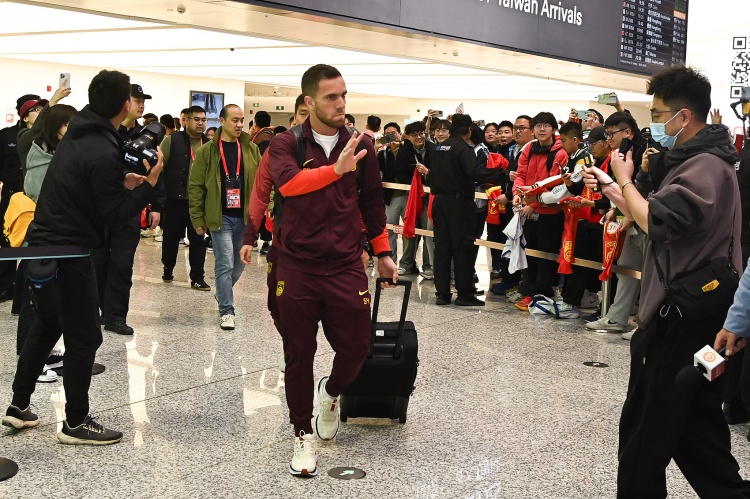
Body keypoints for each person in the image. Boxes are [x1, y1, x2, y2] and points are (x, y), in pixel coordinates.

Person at [587, 65, 750, 498]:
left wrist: (625, 180)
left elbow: (659, 223)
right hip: (700, 316)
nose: (655, 123)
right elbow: (657, 216)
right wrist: (618, 190)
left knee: (647, 424)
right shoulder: (702, 162)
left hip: (681, 319)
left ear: (684, 116)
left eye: (659, 114)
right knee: (695, 422)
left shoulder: (704, 167)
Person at [0, 69, 163, 444]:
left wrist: (118, 182)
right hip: (68, 252)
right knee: (85, 336)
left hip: (45, 246)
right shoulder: (102, 148)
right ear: (125, 104)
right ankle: (75, 422)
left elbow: (86, 185)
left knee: (47, 326)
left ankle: (18, 406)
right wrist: (148, 186)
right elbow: (115, 215)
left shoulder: (80, 133)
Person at [266, 64, 397, 476]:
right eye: (330, 97)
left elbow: (371, 202)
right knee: (298, 354)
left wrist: (382, 251)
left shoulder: (362, 144)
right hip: (296, 265)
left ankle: (332, 392)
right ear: (309, 102)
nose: (340, 104)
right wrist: (335, 170)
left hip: (344, 264)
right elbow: (288, 185)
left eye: (343, 95)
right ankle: (302, 433)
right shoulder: (285, 143)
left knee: (357, 347)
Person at [92, 83, 163, 336]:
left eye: (143, 101)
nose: (140, 105)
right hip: (101, 208)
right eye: (136, 100)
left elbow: (157, 170)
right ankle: (99, 309)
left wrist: (156, 206)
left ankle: (116, 316)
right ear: (124, 102)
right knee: (98, 261)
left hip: (130, 206)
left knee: (122, 265)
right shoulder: (105, 131)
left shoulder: (148, 135)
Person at [188, 104, 260, 330]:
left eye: (242, 120)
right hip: (220, 216)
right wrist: (197, 219)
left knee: (239, 264)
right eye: (234, 120)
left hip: (244, 217)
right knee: (225, 263)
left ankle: (222, 292)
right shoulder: (207, 151)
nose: (239, 125)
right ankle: (227, 310)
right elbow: (196, 186)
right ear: (221, 121)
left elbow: (261, 182)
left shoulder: (251, 149)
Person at [422, 113, 505, 306]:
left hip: (439, 202)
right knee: (462, 248)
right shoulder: (464, 149)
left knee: (442, 248)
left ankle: (442, 294)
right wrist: (502, 174)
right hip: (459, 204)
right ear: (468, 131)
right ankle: (464, 294)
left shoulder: (438, 148)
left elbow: (431, 176)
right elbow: (475, 173)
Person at [159, 105, 210, 291]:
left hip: (198, 202)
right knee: (171, 238)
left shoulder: (209, 144)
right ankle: (168, 268)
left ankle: (197, 277)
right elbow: (160, 167)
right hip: (175, 199)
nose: (200, 123)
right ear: (186, 121)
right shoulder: (172, 140)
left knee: (198, 239)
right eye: (196, 119)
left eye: (203, 120)